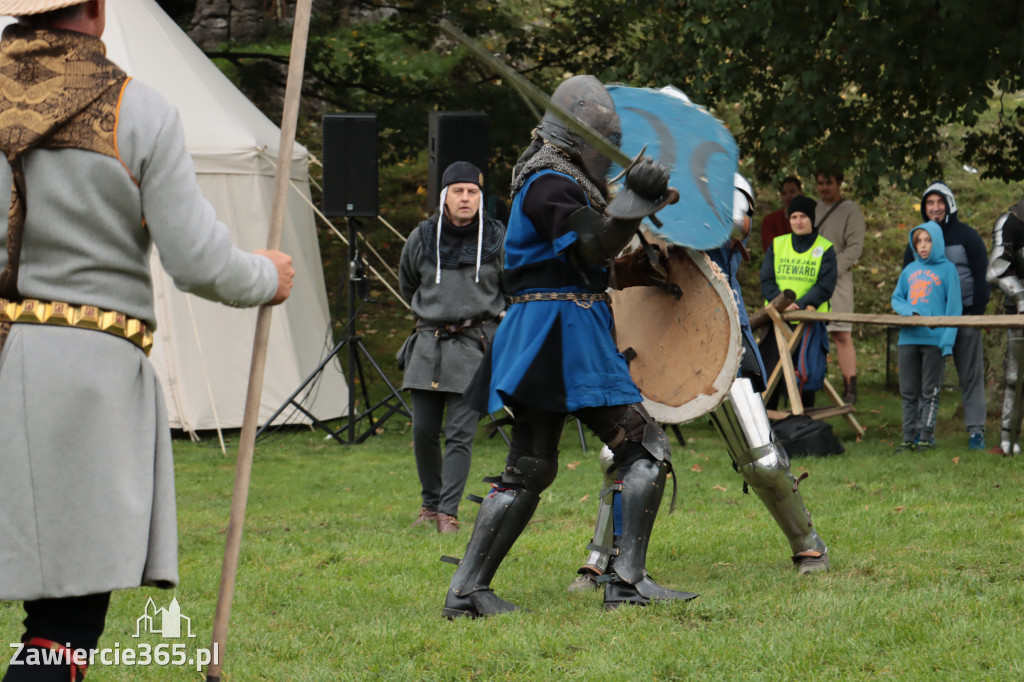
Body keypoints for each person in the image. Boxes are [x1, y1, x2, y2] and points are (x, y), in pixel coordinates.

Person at [0, 2, 295, 679]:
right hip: (82, 385)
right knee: (63, 622)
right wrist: (264, 276)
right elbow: (197, 261)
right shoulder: (137, 109)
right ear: (98, 11)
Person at [441, 74, 697, 618]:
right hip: (560, 332)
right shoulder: (548, 182)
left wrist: (638, 213)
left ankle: (466, 592)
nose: (605, 152)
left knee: (530, 466)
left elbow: (597, 251)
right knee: (643, 445)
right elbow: (592, 245)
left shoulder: (553, 178)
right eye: (600, 138)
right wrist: (637, 198)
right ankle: (625, 581)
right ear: (578, 135)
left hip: (548, 329)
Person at [568, 175, 830, 593]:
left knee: (761, 460)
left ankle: (808, 543)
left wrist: (673, 207)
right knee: (617, 453)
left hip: (716, 331)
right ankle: (603, 559)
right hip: (652, 336)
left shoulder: (720, 176)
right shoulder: (632, 180)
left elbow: (736, 226)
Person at [398, 161, 506, 534]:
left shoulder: (496, 238)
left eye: (472, 192)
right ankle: (430, 507)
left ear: (480, 197)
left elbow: (510, 288)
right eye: (458, 191)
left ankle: (448, 512)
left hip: (474, 346)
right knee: (424, 431)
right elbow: (408, 284)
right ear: (445, 196)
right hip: (429, 343)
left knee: (460, 432)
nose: (465, 198)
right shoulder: (422, 236)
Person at [903, 182, 990, 450]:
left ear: (949, 203)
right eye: (930, 203)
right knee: (924, 382)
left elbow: (981, 274)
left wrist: (975, 312)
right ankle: (922, 431)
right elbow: (907, 279)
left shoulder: (968, 236)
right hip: (928, 324)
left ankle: (976, 431)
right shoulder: (917, 238)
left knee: (970, 376)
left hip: (964, 316)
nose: (935, 208)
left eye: (940, 202)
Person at [760, 195, 837, 410]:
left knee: (806, 375)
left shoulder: (825, 248)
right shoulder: (778, 244)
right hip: (777, 319)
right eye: (794, 216)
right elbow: (766, 279)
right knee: (772, 372)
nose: (798, 221)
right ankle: (770, 422)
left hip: (809, 322)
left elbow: (825, 285)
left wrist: (801, 304)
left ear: (811, 218)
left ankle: (804, 422)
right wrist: (782, 303)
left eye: (803, 216)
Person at [891, 222, 962, 451]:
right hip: (908, 339)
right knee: (908, 392)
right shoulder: (909, 270)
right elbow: (897, 299)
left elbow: (954, 309)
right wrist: (908, 311)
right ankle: (907, 437)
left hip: (934, 340)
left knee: (929, 392)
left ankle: (925, 436)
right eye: (918, 241)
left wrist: (947, 341)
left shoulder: (948, 270)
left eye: (928, 240)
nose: (923, 245)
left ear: (937, 242)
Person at [814, 168, 865, 404]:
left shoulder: (850, 210)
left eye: (829, 182)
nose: (824, 187)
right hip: (813, 279)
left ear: (839, 182)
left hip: (839, 280)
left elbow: (855, 247)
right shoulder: (813, 209)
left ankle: (850, 389)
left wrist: (831, 269)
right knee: (814, 332)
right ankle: (813, 384)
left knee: (841, 333)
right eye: (821, 182)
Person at [986, 198, 1024, 456]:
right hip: (1020, 310)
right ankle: (1008, 442)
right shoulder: (1011, 222)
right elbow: (996, 270)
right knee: (1016, 378)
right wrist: (1021, 298)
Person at [759, 175, 803, 254]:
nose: (788, 196)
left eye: (792, 192)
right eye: (784, 193)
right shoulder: (770, 220)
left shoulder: (811, 219)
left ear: (800, 192)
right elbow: (770, 250)